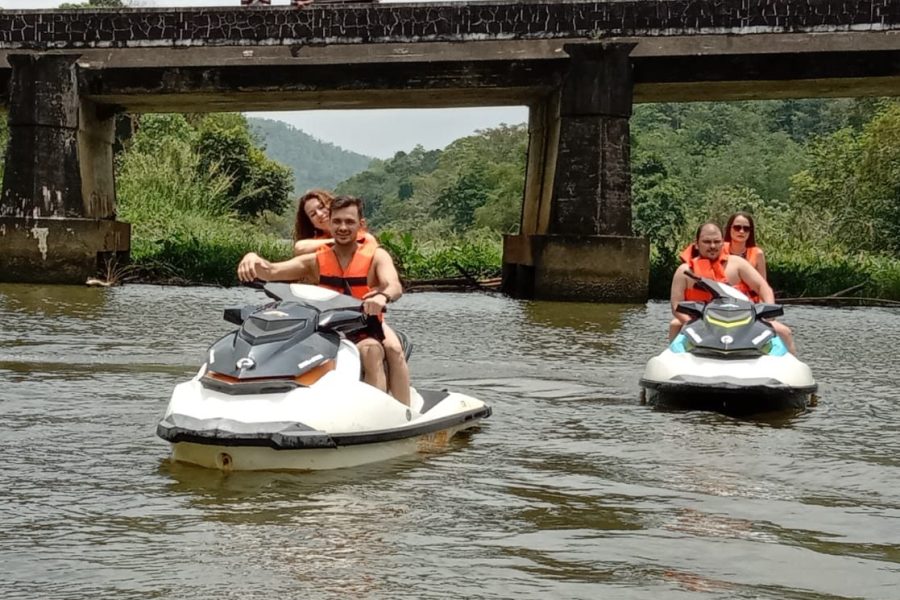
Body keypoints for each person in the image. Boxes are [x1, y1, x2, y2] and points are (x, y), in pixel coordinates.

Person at [238, 195, 412, 405]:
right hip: (327, 326)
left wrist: (382, 296)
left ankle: (400, 411)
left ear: (361, 224)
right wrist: (251, 257)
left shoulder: (377, 256)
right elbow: (271, 271)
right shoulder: (316, 261)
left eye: (349, 222)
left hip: (365, 323)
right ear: (329, 224)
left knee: (381, 350)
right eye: (337, 221)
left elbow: (394, 285)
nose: (343, 227)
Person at [290, 190, 411, 406]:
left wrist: (343, 234)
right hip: (326, 316)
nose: (319, 215)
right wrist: (337, 239)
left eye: (321, 208)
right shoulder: (316, 246)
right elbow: (300, 248)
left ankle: (404, 409)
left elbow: (387, 275)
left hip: (363, 313)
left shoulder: (364, 240)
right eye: (312, 214)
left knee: (392, 349)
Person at [669, 223, 797, 354]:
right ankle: (673, 361)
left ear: (722, 243)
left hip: (743, 322)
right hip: (699, 322)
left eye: (717, 242)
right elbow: (676, 306)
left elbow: (763, 287)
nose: (712, 246)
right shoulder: (684, 271)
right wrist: (695, 325)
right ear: (696, 244)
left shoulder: (737, 264)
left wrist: (768, 315)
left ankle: (792, 370)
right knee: (675, 325)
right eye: (707, 242)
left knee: (784, 332)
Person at [724, 211, 767, 280]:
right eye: (737, 228)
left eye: (746, 229)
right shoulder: (719, 250)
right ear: (729, 229)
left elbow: (762, 284)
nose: (741, 231)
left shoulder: (758, 254)